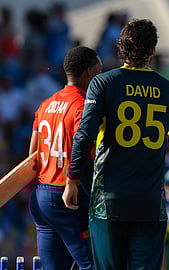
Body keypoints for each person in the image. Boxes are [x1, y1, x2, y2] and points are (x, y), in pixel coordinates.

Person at [66, 19, 169, 270]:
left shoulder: (103, 83)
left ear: (121, 49)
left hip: (108, 202)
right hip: (149, 203)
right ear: (152, 51)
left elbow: (84, 136)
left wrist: (72, 179)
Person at [28, 46, 102, 270]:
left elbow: (33, 154)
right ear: (90, 72)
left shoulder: (46, 104)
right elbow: (89, 151)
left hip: (42, 198)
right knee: (95, 265)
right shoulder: (83, 107)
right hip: (70, 197)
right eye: (100, 70)